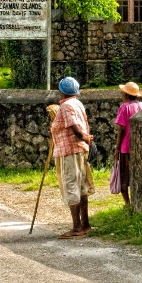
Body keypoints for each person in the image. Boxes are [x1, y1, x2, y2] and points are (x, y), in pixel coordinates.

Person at [49, 77, 94, 239]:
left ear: (62, 91)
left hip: (70, 151)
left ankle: (77, 227)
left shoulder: (67, 106)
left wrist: (86, 138)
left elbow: (76, 130)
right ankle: (85, 224)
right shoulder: (76, 103)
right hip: (77, 150)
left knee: (71, 186)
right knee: (80, 186)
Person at [114, 81, 142, 206]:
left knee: (124, 177)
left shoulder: (124, 107)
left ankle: (127, 203)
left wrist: (117, 149)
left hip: (126, 147)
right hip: (139, 147)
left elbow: (121, 130)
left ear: (126, 94)